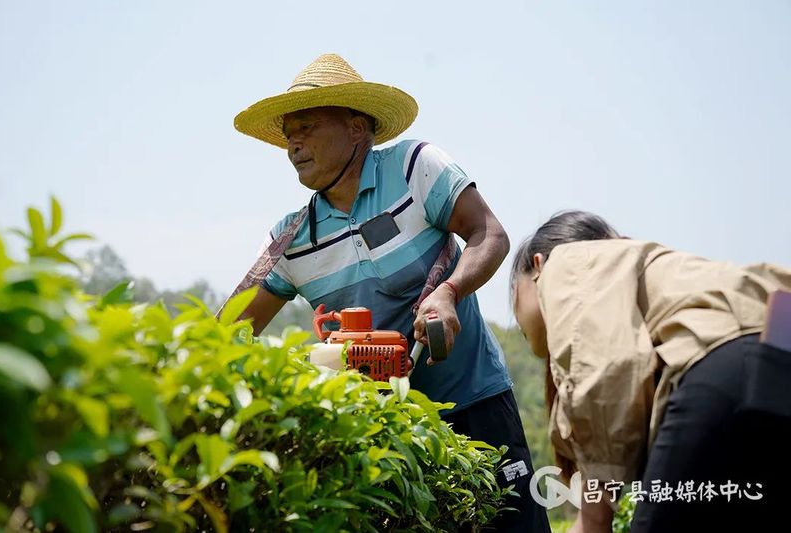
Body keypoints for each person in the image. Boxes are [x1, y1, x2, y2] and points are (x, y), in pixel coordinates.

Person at [225, 53, 550, 532]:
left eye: (307, 126)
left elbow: (489, 233)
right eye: (288, 134)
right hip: (389, 437)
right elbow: (230, 329)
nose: (293, 144)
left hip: (476, 404)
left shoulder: (416, 168)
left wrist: (449, 291)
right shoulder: (290, 240)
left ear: (357, 127)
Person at [510, 210, 791, 533]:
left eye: (513, 290)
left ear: (538, 265)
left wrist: (594, 515)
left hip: (722, 370)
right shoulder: (656, 268)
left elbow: (608, 367)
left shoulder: (571, 262)